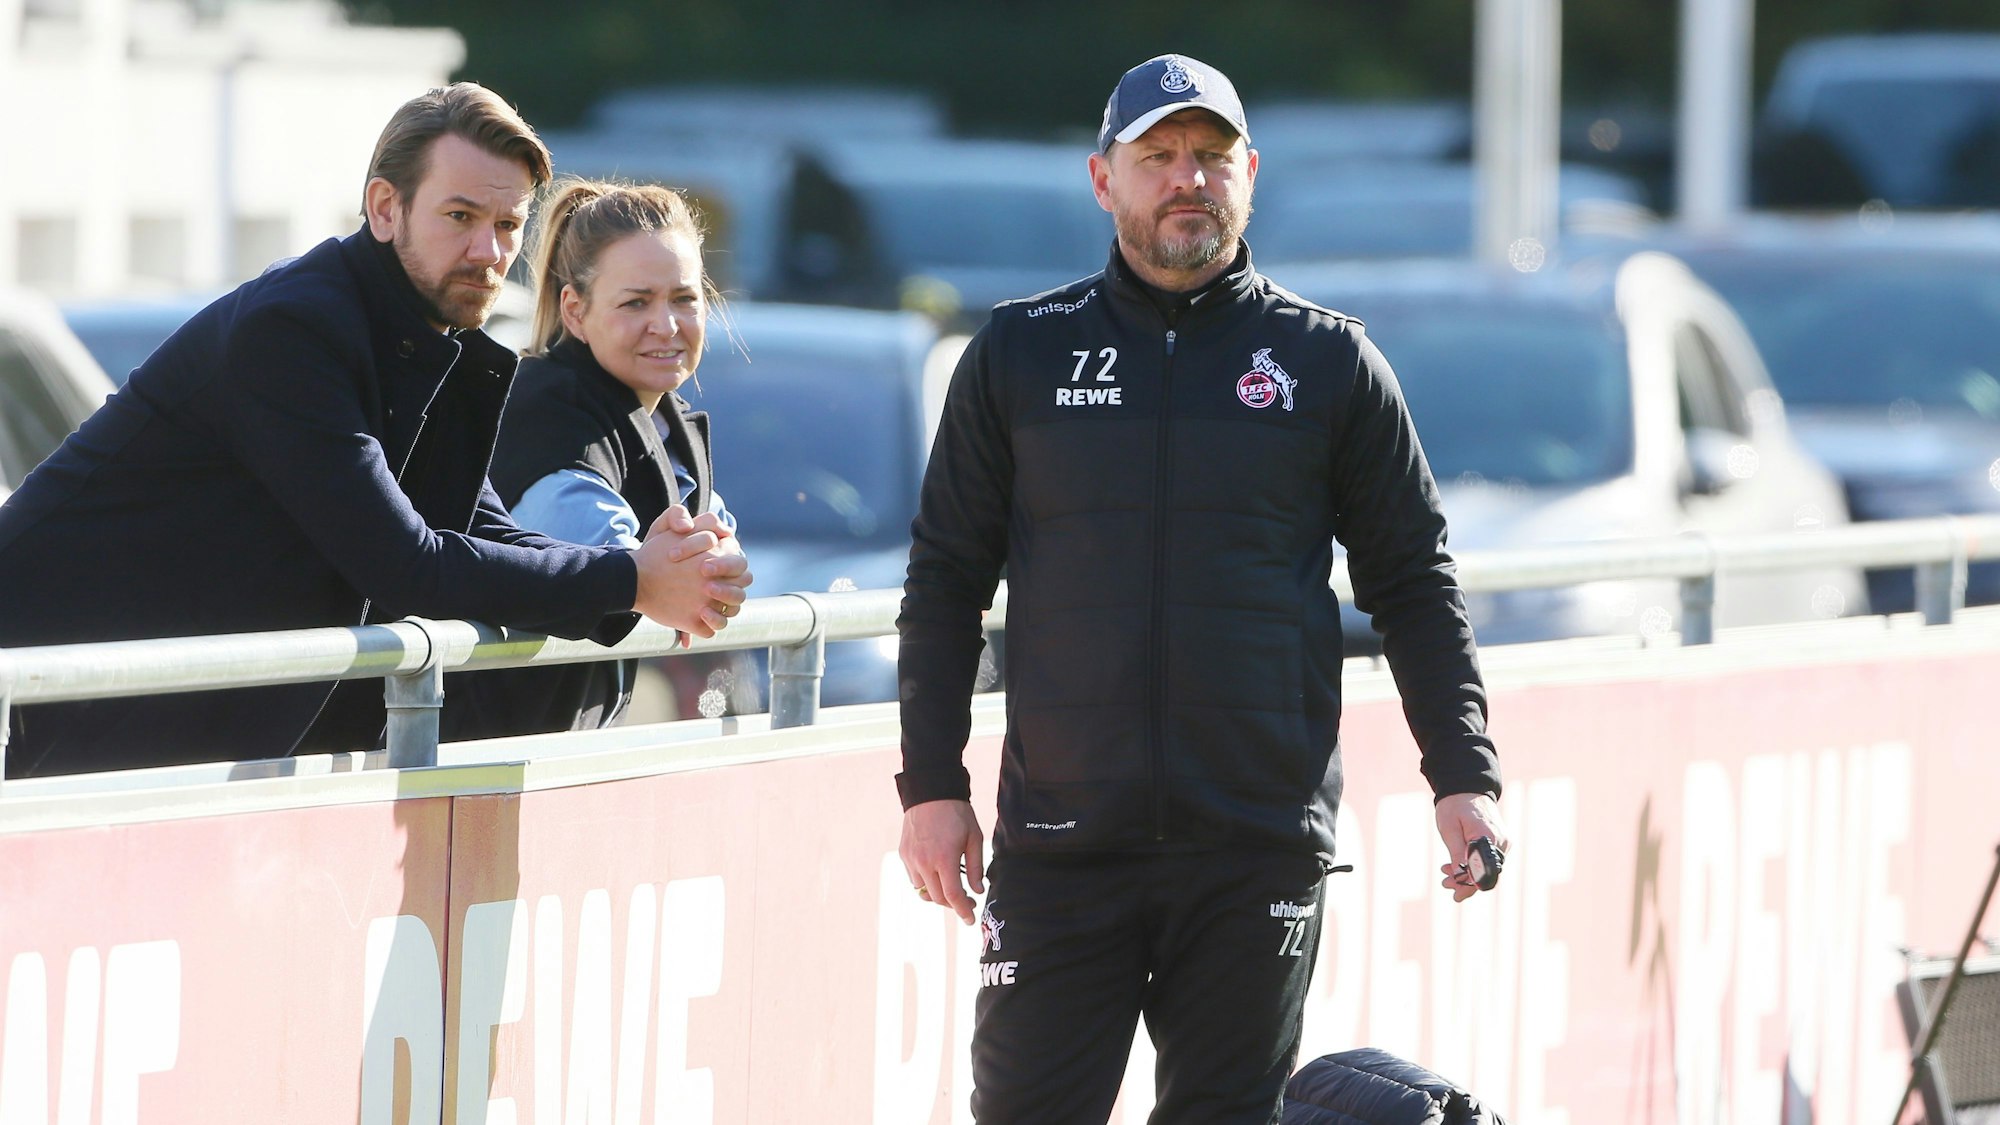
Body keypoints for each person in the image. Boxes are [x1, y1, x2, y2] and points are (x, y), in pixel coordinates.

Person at [895, 54, 1509, 1124]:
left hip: (1254, 847)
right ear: (1104, 180)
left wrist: (1463, 774)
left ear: (1249, 175)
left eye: (1212, 157)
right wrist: (930, 787)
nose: (1188, 179)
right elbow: (945, 581)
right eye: (1159, 156)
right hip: (1061, 847)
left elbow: (1413, 583)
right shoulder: (1019, 353)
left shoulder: (1330, 363)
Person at [0, 83, 750, 778]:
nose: (488, 252)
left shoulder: (430, 337)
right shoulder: (294, 328)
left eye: (507, 225)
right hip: (38, 704)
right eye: (460, 217)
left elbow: (480, 525)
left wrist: (649, 573)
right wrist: (634, 580)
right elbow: (406, 564)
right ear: (385, 209)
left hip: (130, 723)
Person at [442, 179, 732, 739]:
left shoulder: (661, 416)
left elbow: (708, 555)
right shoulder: (547, 415)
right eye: (635, 302)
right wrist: (686, 573)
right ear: (574, 311)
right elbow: (607, 559)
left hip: (550, 752)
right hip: (476, 760)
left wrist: (711, 564)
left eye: (684, 298)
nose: (666, 325)